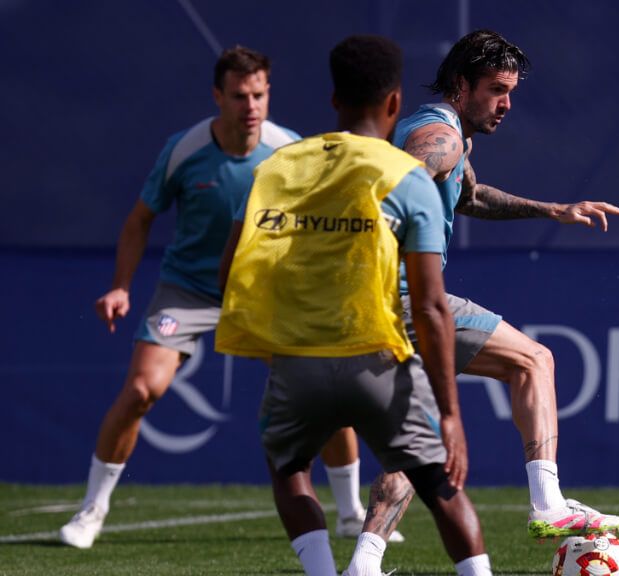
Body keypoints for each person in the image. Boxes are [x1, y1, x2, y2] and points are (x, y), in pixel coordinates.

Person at [340, 29, 619, 550]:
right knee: (534, 361)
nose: (506, 104)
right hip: (401, 299)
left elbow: (470, 195)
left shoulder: (450, 135)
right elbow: (397, 190)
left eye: (511, 91)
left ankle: (363, 561)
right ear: (460, 84)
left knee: (416, 440)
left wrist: (553, 211)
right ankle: (549, 505)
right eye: (496, 89)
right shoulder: (440, 135)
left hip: (370, 305)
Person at [215, 35, 492, 576]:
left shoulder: (275, 167)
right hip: (377, 360)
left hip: (298, 361)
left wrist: (272, 346)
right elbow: (432, 308)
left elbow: (230, 273)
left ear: (334, 99)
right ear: (394, 103)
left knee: (290, 470)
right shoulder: (408, 178)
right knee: (440, 486)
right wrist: (451, 414)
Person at [58, 46, 302, 549]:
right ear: (218, 96)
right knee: (142, 390)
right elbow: (139, 221)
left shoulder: (289, 151)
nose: (250, 106)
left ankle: (349, 511)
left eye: (258, 94)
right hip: (187, 289)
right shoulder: (184, 149)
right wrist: (121, 286)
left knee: (318, 390)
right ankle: (90, 512)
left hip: (261, 292)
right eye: (238, 96)